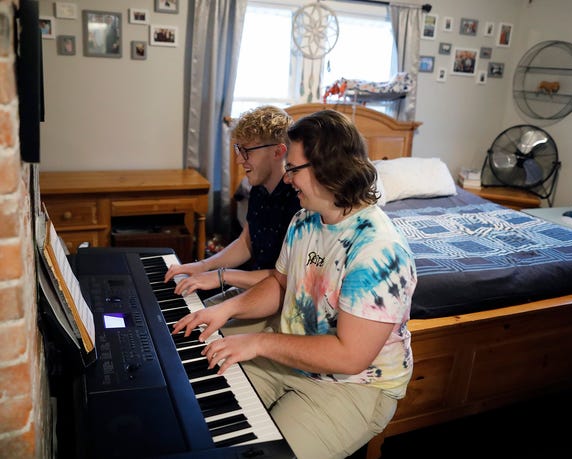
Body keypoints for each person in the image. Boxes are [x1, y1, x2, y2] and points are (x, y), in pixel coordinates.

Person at [172, 109, 418, 459]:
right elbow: (281, 284)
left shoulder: (377, 251)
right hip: (293, 356)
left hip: (355, 386)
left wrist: (258, 341)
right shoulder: (305, 220)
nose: (287, 179)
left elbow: (350, 356)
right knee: (195, 398)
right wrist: (227, 309)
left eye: (293, 169)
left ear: (328, 168)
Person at [165, 105, 300, 303]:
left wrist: (221, 275)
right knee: (183, 308)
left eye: (246, 151)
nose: (238, 160)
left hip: (283, 299)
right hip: (254, 287)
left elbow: (289, 277)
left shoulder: (299, 199)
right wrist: (202, 265)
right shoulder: (259, 189)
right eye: (238, 150)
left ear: (278, 152)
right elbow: (246, 242)